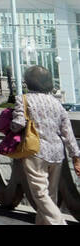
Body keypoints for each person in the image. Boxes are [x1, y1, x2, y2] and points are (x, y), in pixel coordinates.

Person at [11, 66, 80, 225]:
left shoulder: (23, 99)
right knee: (51, 194)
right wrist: (75, 157)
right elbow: (67, 132)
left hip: (35, 151)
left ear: (28, 82)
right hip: (56, 152)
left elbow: (19, 123)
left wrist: (11, 125)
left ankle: (58, 222)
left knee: (40, 194)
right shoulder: (56, 103)